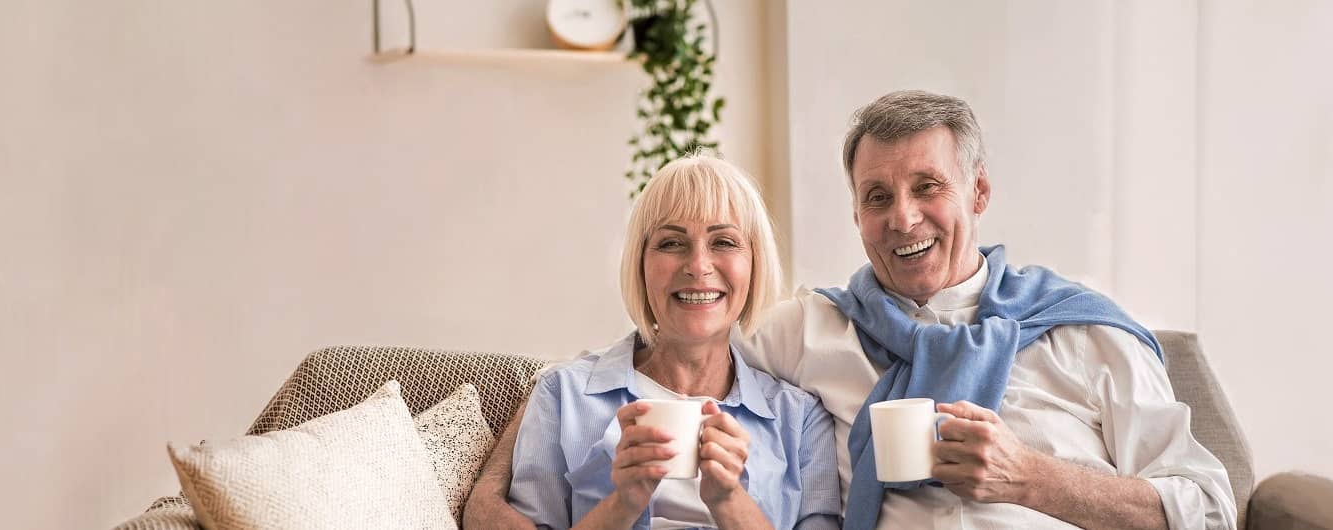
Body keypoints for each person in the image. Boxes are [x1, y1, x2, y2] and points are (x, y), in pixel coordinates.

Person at [474, 91, 1234, 530]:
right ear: (856, 212)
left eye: (926, 188)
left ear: (977, 193)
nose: (902, 218)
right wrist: (502, 449)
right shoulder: (806, 335)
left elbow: (1209, 507)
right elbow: (671, 352)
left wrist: (1031, 478)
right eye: (877, 197)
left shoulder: (1086, 334)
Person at [502, 155, 840, 530]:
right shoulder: (562, 396)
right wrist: (623, 503)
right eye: (671, 243)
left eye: (724, 242)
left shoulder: (801, 420)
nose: (698, 265)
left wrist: (729, 501)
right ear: (641, 264)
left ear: (755, 264)